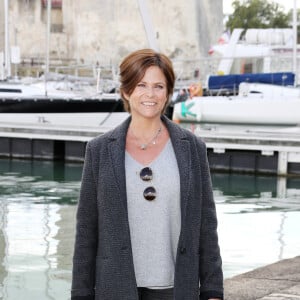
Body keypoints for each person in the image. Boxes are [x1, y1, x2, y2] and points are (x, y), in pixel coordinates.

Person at [71, 48, 223, 300]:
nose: (150, 94)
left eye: (159, 86)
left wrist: (213, 291)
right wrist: (81, 294)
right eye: (141, 84)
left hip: (176, 289)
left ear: (168, 93)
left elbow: (207, 227)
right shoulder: (99, 150)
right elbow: (86, 231)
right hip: (115, 288)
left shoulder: (192, 149)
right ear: (126, 91)